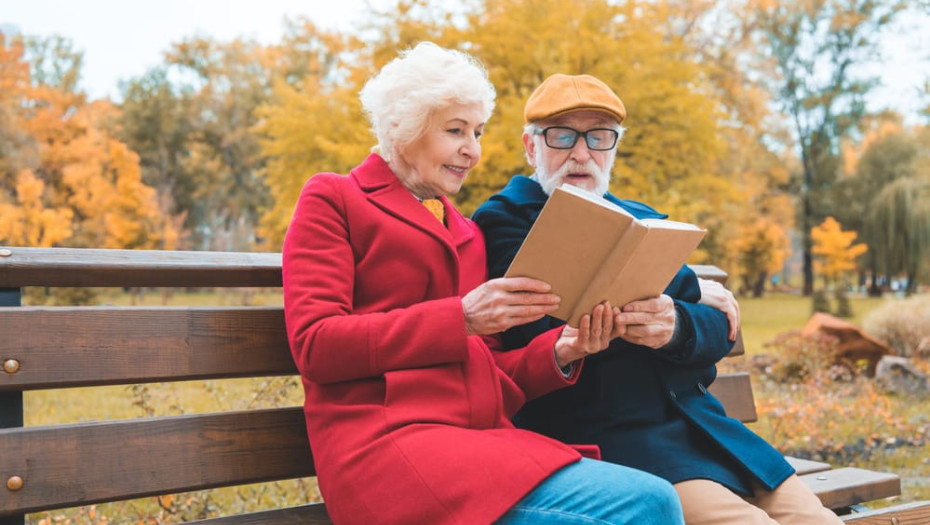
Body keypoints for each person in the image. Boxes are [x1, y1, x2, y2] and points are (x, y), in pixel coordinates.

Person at [282, 44, 685, 525]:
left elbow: (491, 374)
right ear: (404, 129)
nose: (472, 150)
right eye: (455, 131)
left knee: (652, 498)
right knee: (648, 505)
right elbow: (316, 345)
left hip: (475, 444)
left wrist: (563, 349)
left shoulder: (466, 232)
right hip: (384, 449)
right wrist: (462, 318)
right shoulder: (335, 199)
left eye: (476, 132)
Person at [472, 73, 844, 525]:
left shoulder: (643, 221)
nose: (582, 152)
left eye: (599, 137)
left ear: (614, 148)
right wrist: (688, 288)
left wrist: (677, 327)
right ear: (532, 148)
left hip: (705, 430)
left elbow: (719, 330)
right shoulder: (504, 222)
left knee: (820, 521)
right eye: (563, 136)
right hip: (610, 440)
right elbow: (558, 315)